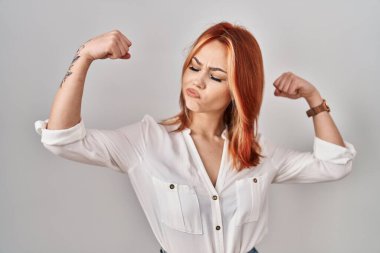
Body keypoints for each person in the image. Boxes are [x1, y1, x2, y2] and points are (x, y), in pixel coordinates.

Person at [34, 21, 357, 253]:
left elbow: (334, 165)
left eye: (216, 76)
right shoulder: (146, 141)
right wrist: (85, 55)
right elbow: (62, 139)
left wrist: (314, 98)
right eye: (194, 67)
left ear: (238, 89)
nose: (198, 81)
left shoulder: (256, 152)